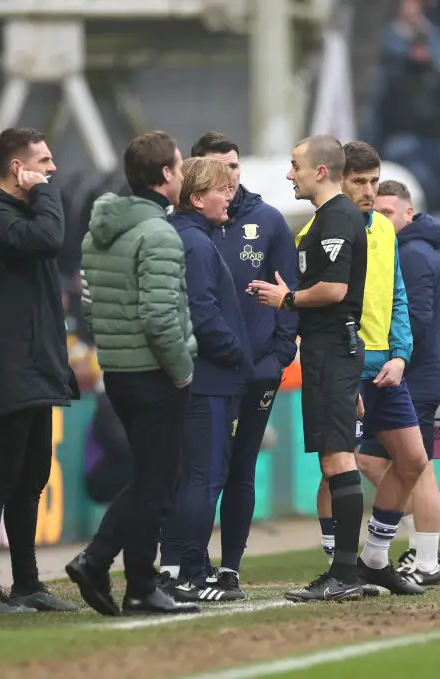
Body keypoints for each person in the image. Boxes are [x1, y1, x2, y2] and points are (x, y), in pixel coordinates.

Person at [67, 131, 199, 617]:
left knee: (151, 476)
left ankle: (128, 576)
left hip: (118, 371)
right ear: (164, 175)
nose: (183, 174)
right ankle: (109, 565)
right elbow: (161, 316)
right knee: (159, 481)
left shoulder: (99, 231)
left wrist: (114, 351)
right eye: (180, 166)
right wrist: (182, 370)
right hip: (155, 373)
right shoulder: (159, 234)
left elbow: (90, 303)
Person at [0, 127, 78, 615]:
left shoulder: (24, 212)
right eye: (43, 162)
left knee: (31, 480)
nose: (51, 171)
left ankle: (27, 585)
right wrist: (45, 194)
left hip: (37, 364)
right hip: (3, 367)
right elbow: (49, 237)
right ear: (17, 169)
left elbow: (52, 243)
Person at [305, 142, 426, 597]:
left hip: (386, 369)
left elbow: (397, 294)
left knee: (413, 461)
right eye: (360, 181)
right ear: (340, 180)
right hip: (347, 364)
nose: (370, 191)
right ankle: (340, 563)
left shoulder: (386, 232)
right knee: (336, 468)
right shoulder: (323, 232)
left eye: (374, 181)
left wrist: (400, 355)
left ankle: (374, 558)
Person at [249, 135, 368, 602]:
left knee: (339, 456)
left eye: (295, 164)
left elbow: (335, 290)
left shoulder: (338, 216)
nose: (288, 173)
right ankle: (344, 570)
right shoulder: (326, 219)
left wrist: (289, 298)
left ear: (321, 171)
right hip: (326, 350)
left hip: (333, 347)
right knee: (332, 455)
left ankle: (345, 572)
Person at [189, 133, 298, 596]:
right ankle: (186, 563)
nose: (229, 174)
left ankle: (229, 567)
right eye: (218, 166)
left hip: (256, 372)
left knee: (241, 468)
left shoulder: (268, 222)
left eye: (234, 164)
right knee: (200, 469)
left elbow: (289, 294)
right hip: (208, 373)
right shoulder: (191, 228)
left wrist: (277, 358)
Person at [159, 157, 252, 602]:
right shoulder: (194, 243)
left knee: (190, 477)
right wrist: (237, 353)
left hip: (196, 378)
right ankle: (192, 570)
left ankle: (176, 565)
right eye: (222, 189)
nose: (230, 196)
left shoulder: (187, 236)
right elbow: (203, 312)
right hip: (210, 378)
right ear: (197, 198)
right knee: (204, 477)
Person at [373, 179, 440, 586]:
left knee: (418, 469)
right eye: (377, 212)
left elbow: (416, 320)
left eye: (388, 212)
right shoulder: (408, 249)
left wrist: (388, 350)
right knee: (378, 461)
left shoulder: (414, 255)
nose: (382, 219)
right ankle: (420, 547)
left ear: (409, 214)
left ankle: (426, 559)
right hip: (408, 376)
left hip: (415, 377)